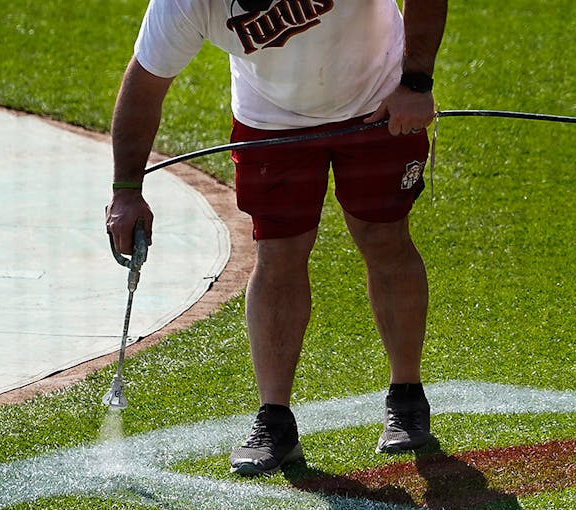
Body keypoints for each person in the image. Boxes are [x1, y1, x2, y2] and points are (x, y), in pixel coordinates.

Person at [106, 0, 448, 476]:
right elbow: (146, 83)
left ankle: (407, 398)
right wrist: (126, 191)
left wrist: (415, 82)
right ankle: (274, 419)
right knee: (278, 252)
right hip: (272, 119)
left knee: (383, 236)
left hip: (378, 96)